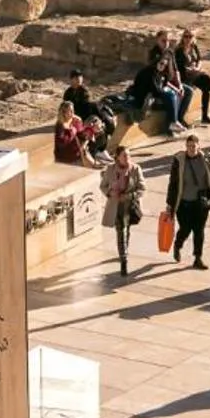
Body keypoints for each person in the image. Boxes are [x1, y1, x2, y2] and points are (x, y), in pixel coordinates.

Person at [164, 133, 210, 269]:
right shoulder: (179, 161)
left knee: (199, 231)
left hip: (200, 203)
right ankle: (178, 244)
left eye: (194, 146)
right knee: (185, 228)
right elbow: (173, 184)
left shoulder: (206, 160)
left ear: (199, 146)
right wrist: (170, 204)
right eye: (189, 146)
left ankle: (198, 258)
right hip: (184, 203)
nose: (191, 149)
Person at [100, 142, 146, 276]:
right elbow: (103, 186)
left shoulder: (135, 169)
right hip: (116, 207)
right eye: (124, 155)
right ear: (117, 157)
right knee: (121, 231)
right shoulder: (110, 170)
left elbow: (142, 189)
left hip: (130, 206)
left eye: (129, 155)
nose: (127, 158)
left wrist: (129, 196)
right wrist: (109, 193)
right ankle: (123, 260)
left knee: (127, 230)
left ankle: (124, 252)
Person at [174, 28, 210, 125]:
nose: (188, 39)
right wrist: (191, 69)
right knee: (207, 81)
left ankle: (206, 115)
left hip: (195, 73)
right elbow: (179, 67)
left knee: (207, 86)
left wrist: (197, 68)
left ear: (193, 37)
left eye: (190, 36)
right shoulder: (179, 50)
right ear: (183, 38)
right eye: (186, 36)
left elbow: (199, 60)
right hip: (185, 76)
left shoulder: (194, 46)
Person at [64, 68, 116, 154]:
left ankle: (107, 122)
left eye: (80, 77)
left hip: (86, 113)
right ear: (71, 80)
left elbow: (86, 105)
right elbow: (66, 106)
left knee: (95, 106)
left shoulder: (84, 91)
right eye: (76, 78)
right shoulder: (68, 93)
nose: (79, 80)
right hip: (75, 115)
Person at [53, 100, 102, 166]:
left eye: (73, 110)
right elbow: (62, 143)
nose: (72, 113)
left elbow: (81, 134)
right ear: (64, 112)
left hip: (77, 155)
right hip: (65, 159)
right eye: (70, 111)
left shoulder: (75, 121)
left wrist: (90, 130)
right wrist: (72, 130)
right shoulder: (60, 126)